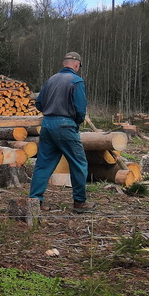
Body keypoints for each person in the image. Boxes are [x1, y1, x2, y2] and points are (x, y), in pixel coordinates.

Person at [28, 52, 96, 213]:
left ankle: (35, 201)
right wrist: (76, 121)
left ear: (64, 63)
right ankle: (79, 203)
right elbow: (80, 108)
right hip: (66, 125)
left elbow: (39, 103)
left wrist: (50, 113)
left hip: (47, 124)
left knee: (43, 164)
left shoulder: (51, 80)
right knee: (78, 163)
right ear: (77, 64)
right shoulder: (76, 81)